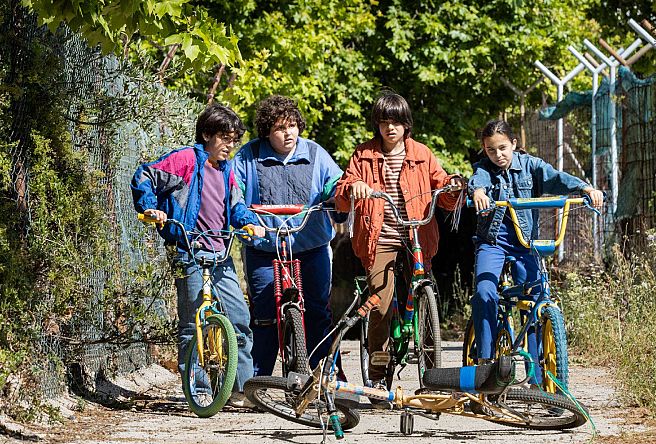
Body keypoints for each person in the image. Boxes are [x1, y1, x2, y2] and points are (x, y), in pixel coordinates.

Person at [131, 103, 265, 408]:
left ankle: (241, 390)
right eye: (225, 138)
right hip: (189, 251)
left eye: (234, 140)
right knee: (193, 324)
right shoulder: (185, 160)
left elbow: (236, 207)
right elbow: (144, 176)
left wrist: (250, 224)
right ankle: (200, 388)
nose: (231, 146)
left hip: (221, 253)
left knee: (239, 320)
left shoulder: (227, 170)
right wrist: (151, 208)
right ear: (207, 134)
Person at [334, 91, 465, 390]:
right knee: (380, 302)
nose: (390, 128)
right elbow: (342, 193)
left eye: (396, 122)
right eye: (383, 122)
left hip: (416, 234)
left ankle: (432, 377)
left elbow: (442, 188)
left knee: (425, 293)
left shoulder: (422, 154)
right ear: (377, 126)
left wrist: (453, 186)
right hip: (379, 237)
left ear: (406, 124)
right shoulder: (363, 154)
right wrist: (354, 187)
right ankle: (378, 376)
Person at [468, 119, 603, 364]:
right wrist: (478, 193)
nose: (498, 155)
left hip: (525, 243)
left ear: (514, 144)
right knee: (484, 291)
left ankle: (539, 369)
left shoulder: (532, 166)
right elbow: (478, 182)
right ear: (484, 149)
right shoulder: (484, 170)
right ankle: (484, 363)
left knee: (537, 296)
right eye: (491, 150)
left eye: (503, 148)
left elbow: (556, 178)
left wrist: (585, 189)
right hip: (493, 241)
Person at [234, 95, 343, 377]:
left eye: (293, 126)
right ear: (267, 132)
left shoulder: (316, 153)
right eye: (281, 128)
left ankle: (327, 375)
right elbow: (232, 190)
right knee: (264, 313)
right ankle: (256, 379)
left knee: (318, 311)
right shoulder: (248, 156)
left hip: (310, 246)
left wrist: (339, 196)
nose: (289, 133)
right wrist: (242, 217)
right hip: (264, 247)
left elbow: (336, 184)